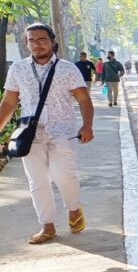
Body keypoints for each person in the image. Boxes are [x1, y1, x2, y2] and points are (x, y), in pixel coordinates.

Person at [0, 23, 94, 244]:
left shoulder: (68, 69)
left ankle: (73, 208)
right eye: (31, 41)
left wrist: (87, 125)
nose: (37, 45)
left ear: (52, 41)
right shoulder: (18, 69)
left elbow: (83, 99)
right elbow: (9, 103)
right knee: (37, 181)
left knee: (64, 176)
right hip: (29, 134)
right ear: (26, 43)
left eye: (42, 40)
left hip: (62, 131)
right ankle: (47, 226)